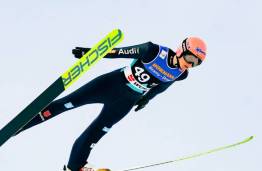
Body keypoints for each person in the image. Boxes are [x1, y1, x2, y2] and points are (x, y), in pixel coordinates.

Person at [15, 37, 207, 171]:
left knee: (96, 132)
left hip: (126, 101)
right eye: (190, 58)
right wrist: (92, 53)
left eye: (196, 63)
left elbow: (162, 86)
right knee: (68, 103)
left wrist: (146, 99)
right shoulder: (153, 51)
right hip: (111, 84)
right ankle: (22, 124)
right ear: (182, 49)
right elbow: (119, 52)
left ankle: (74, 167)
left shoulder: (181, 74)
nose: (190, 64)